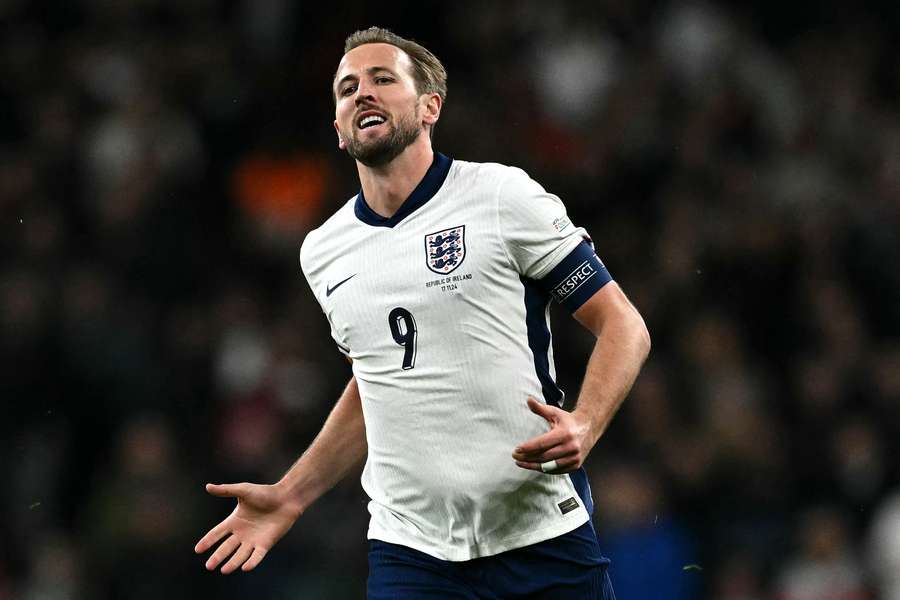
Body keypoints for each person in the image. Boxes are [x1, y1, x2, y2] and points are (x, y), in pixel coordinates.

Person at [195, 27, 650, 599]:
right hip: (412, 554)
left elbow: (622, 324)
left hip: (538, 533)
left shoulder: (500, 197)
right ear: (338, 128)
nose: (363, 93)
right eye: (347, 88)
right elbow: (378, 379)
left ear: (430, 105)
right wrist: (292, 493)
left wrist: (586, 420)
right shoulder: (323, 250)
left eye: (383, 79)